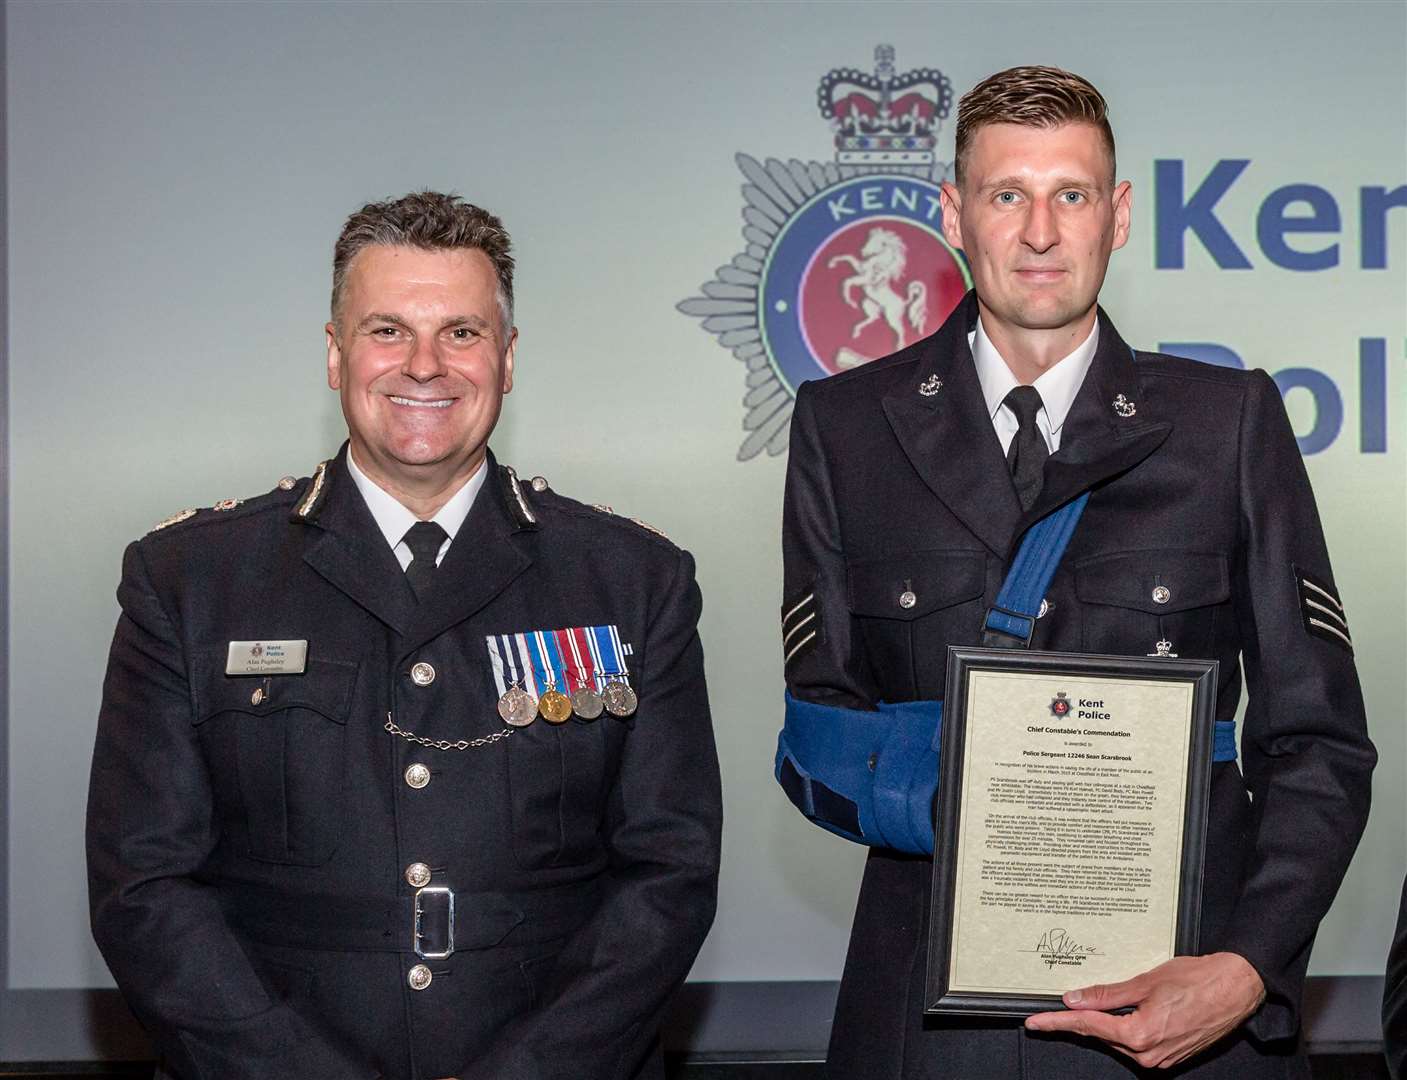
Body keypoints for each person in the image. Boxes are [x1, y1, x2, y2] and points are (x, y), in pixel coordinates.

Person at [779, 67, 1374, 1077]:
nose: (1041, 232)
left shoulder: (1227, 423)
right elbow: (821, 731)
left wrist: (1247, 965)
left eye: (1073, 194)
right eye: (1007, 194)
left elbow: (1317, 742)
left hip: (1187, 1009)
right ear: (953, 216)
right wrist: (996, 809)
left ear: (1121, 214)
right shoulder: (846, 428)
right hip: (931, 1016)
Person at [86, 191, 722, 1080]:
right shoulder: (190, 580)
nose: (425, 365)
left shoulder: (631, 579)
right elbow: (143, 888)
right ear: (335, 355)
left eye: (461, 333)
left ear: (506, 359)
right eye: (388, 330)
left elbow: (669, 873)